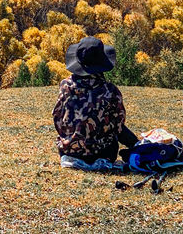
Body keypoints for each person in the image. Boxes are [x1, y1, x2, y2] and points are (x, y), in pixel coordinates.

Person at [53, 36, 138, 169]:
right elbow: (119, 128)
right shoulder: (110, 91)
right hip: (102, 153)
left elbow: (57, 116)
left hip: (68, 150)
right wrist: (136, 144)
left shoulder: (65, 86)